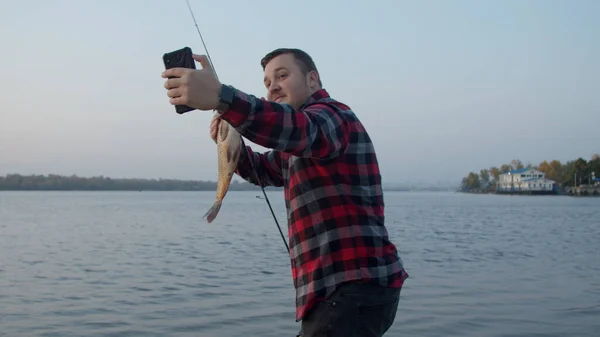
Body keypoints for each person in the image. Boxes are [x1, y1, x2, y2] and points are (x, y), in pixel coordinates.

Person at [162, 48, 408, 337]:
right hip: (339, 293)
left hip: (350, 288)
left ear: (312, 79)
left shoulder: (334, 116)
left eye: (282, 75)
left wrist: (224, 98)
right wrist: (231, 146)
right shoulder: (300, 145)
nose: (273, 87)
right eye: (267, 83)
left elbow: (298, 130)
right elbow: (264, 169)